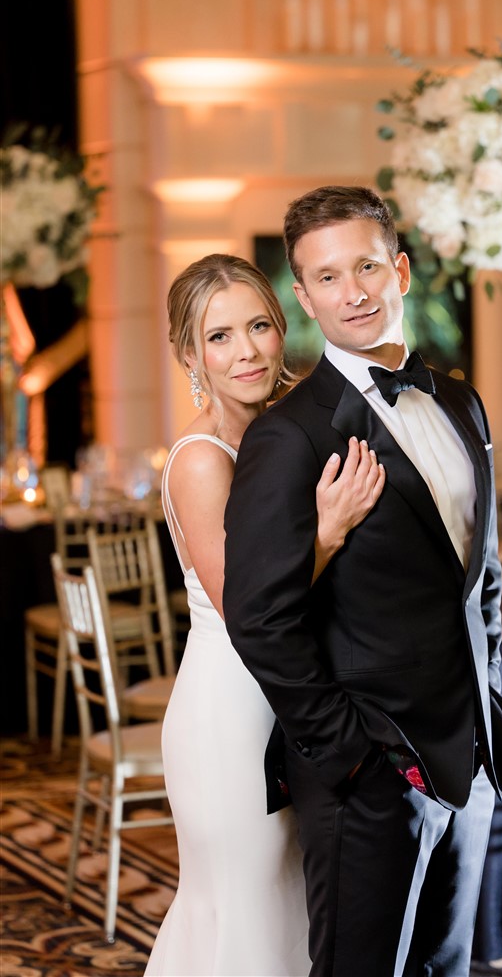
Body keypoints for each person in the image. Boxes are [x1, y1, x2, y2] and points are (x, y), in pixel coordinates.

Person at [223, 187, 502, 977]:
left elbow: (480, 573)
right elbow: (258, 617)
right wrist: (350, 754)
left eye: (365, 266)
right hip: (368, 769)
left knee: (445, 967)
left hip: (467, 749)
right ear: (303, 297)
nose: (351, 291)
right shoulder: (288, 436)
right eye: (326, 277)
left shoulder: (460, 401)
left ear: (398, 269)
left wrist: (485, 693)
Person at [144, 253, 385, 977]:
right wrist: (328, 530)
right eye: (219, 337)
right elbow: (245, 600)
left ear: (283, 328)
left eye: (258, 326)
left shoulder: (292, 428)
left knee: (292, 911)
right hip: (229, 712)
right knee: (239, 911)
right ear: (189, 354)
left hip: (300, 696)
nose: (245, 350)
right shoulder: (199, 459)